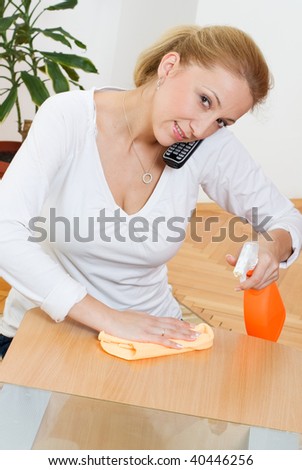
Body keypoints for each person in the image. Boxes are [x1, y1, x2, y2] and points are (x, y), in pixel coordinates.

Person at [0, 24, 302, 359]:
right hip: (43, 337)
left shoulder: (207, 144)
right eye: (204, 101)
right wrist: (111, 320)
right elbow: (4, 230)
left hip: (154, 337)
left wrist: (272, 249)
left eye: (222, 121)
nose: (201, 129)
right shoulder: (68, 118)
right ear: (169, 67)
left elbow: (285, 217)